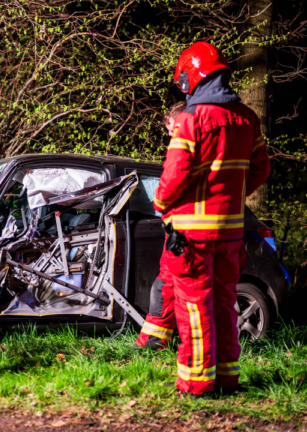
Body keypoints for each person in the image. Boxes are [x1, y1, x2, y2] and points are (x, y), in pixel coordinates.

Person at [153, 41, 271, 396]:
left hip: (191, 235)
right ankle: (228, 377)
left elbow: (173, 177)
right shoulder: (247, 118)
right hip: (231, 233)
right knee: (223, 303)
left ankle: (196, 384)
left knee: (194, 307)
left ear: (191, 78)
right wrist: (233, 197)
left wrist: (161, 204)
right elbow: (262, 169)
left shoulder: (191, 120)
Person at [134, 101, 187, 351]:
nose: (168, 136)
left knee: (167, 287)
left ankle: (155, 342)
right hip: (186, 229)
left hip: (183, 230)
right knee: (169, 287)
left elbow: (166, 189)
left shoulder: (184, 148)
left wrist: (159, 203)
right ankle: (155, 341)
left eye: (169, 130)